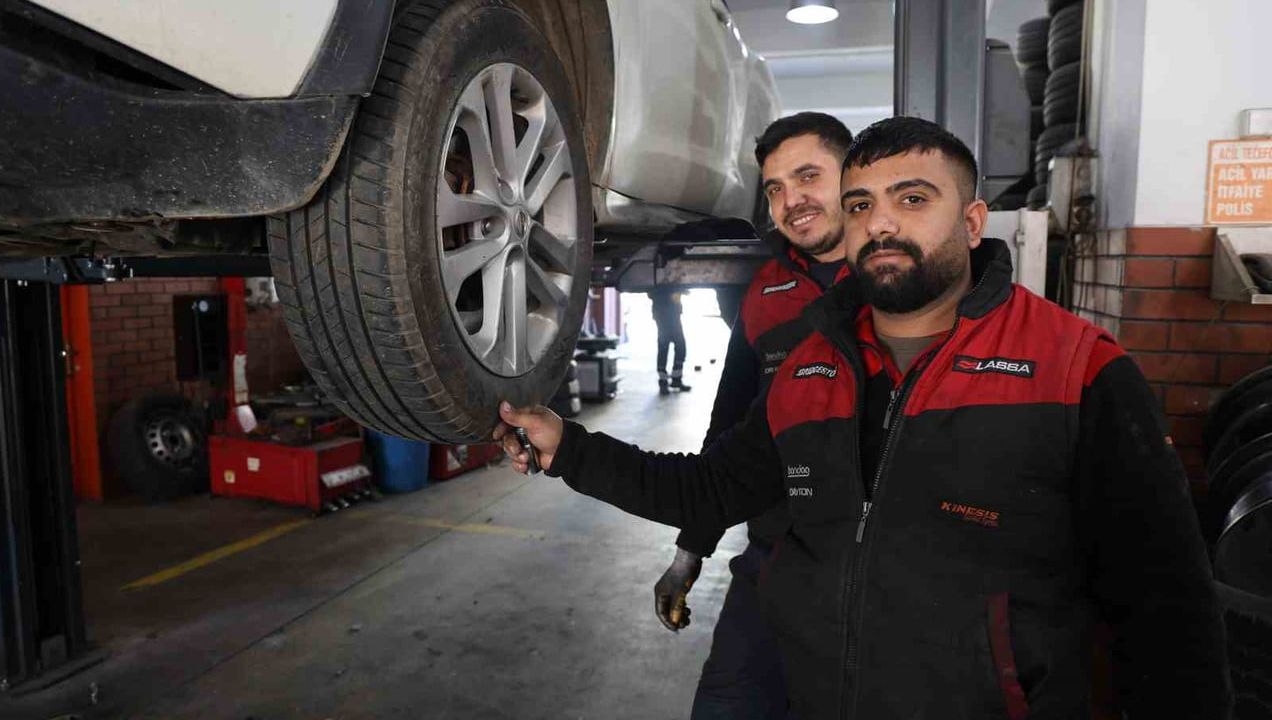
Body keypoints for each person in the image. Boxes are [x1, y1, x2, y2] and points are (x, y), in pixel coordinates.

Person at [495, 117, 1231, 719]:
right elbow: (711, 488)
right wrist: (570, 449)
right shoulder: (812, 369)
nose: (880, 223)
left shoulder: (1079, 370)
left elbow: (1168, 608)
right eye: (861, 205)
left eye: (912, 200)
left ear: (972, 221)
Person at [652, 112, 853, 720]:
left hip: (874, 566)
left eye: (808, 176)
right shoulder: (765, 289)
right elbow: (727, 426)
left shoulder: (896, 277)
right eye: (775, 188)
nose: (791, 201)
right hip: (772, 554)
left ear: (853, 175)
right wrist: (691, 550)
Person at [650, 285, 691, 394]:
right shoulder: (659, 278)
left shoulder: (672, 279)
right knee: (665, 347)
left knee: (679, 347)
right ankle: (664, 382)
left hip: (672, 314)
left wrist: (680, 290)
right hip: (663, 315)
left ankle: (675, 379)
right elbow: (652, 293)